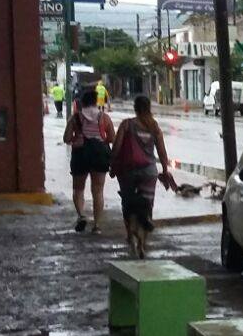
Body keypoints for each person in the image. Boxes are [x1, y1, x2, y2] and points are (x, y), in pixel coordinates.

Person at [110, 95, 174, 258]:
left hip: (128, 170)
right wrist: (165, 169)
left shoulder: (127, 124)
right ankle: (143, 244)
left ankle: (130, 235)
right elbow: (161, 150)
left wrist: (113, 163)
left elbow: (116, 147)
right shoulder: (154, 126)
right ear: (149, 108)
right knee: (146, 206)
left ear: (135, 108)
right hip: (149, 171)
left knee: (128, 203)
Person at [63, 88, 113, 233]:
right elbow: (112, 138)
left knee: (78, 189)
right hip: (99, 155)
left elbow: (66, 138)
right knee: (98, 191)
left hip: (80, 154)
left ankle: (82, 215)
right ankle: (97, 225)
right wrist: (100, 140)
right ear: (96, 102)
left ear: (82, 103)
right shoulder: (104, 117)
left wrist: (75, 138)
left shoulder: (75, 117)